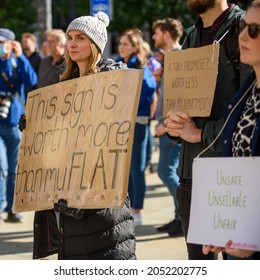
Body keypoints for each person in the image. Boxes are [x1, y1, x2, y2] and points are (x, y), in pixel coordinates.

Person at [20, 12, 136, 260]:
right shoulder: (64, 81)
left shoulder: (114, 78)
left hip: (100, 187)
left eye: (80, 38)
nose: (72, 43)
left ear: (95, 44)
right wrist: (34, 126)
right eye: (70, 37)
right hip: (69, 195)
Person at [165, 0, 251, 259]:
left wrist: (202, 133)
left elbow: (250, 109)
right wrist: (173, 125)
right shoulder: (191, 37)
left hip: (231, 180)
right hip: (190, 181)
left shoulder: (244, 30)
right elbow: (180, 103)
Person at [203, 0, 260, 260]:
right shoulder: (245, 93)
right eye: (243, 27)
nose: (243, 35)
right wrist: (221, 223)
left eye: (255, 30)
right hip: (238, 240)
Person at [117, 29, 157, 226]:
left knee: (136, 168)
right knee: (127, 169)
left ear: (135, 47)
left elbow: (149, 91)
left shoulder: (139, 66)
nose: (121, 47)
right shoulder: (121, 64)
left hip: (136, 122)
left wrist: (127, 102)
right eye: (121, 43)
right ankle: (130, 207)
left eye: (126, 44)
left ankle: (137, 210)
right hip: (123, 122)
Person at [0, 28, 37, 223]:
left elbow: (31, 80)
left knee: (14, 167)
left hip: (15, 122)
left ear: (11, 44)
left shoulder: (17, 62)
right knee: (0, 163)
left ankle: (11, 208)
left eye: (1, 43)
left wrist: (20, 56)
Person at [152, 17, 183, 237]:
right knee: (171, 171)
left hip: (171, 127)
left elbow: (181, 96)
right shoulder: (169, 58)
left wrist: (164, 124)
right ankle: (179, 216)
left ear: (166, 34)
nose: (153, 36)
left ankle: (184, 216)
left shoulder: (179, 57)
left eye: (156, 32)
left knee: (166, 171)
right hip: (167, 125)